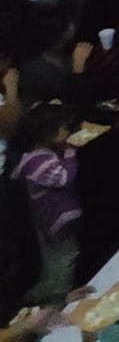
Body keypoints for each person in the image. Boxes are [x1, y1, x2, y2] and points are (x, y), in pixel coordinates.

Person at [8, 103, 80, 302]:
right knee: (65, 258)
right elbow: (65, 177)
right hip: (57, 219)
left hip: (50, 219)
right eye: (64, 128)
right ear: (48, 133)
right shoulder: (38, 163)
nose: (68, 132)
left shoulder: (42, 156)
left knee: (56, 258)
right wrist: (71, 154)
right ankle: (56, 297)